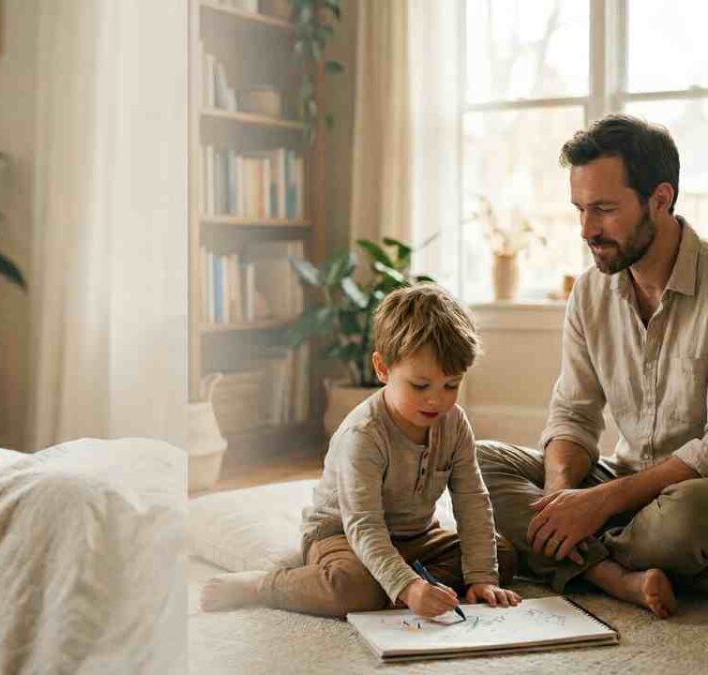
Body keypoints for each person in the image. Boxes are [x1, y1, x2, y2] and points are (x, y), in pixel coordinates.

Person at [477, 114, 708, 620]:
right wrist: (562, 499)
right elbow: (574, 414)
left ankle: (565, 559)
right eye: (580, 209)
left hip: (686, 493)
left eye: (603, 209)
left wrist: (599, 505)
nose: (586, 230)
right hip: (621, 483)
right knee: (477, 462)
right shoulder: (590, 291)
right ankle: (615, 576)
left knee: (694, 516)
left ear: (661, 199)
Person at [201, 284, 520, 617]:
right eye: (420, 385)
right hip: (345, 535)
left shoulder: (454, 423)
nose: (436, 399)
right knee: (352, 590)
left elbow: (472, 499)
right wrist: (410, 588)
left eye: (451, 385)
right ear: (382, 369)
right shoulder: (364, 433)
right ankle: (265, 585)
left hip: (416, 536)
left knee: (501, 554)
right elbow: (363, 525)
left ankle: (397, 585)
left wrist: (482, 577)